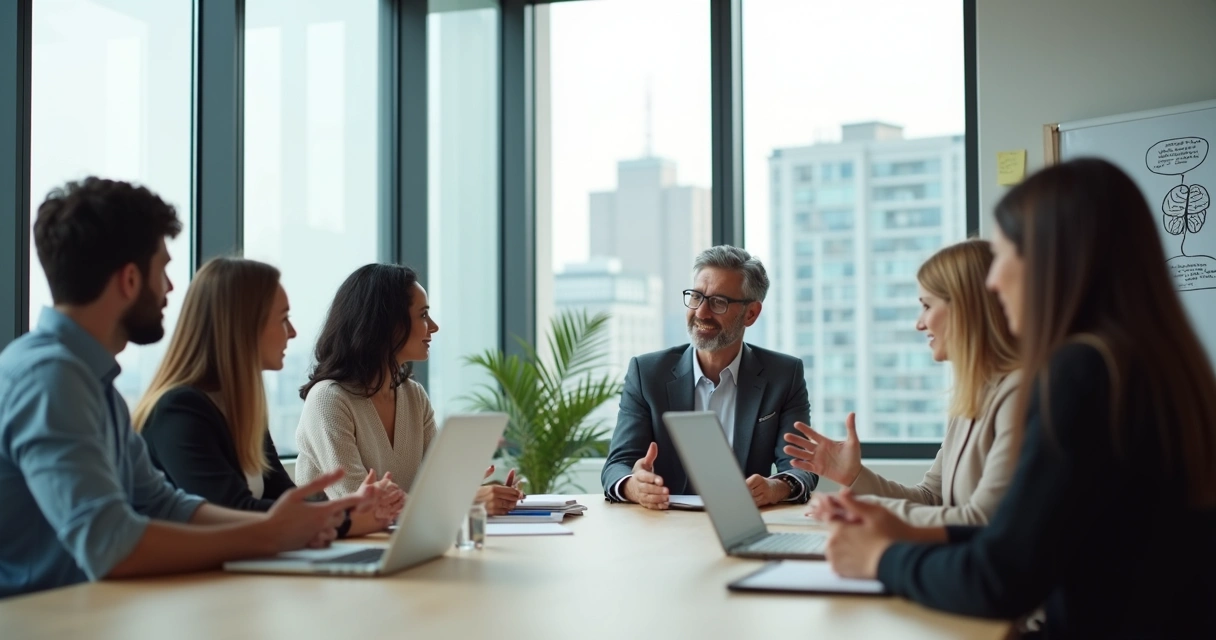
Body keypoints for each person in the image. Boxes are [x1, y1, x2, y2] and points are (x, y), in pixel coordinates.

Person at [815, 159, 1216, 637]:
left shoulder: (1083, 373)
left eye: (1004, 256)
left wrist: (881, 557)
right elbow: (1013, 537)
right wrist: (888, 519)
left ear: (1052, 260)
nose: (992, 281)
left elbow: (1000, 576)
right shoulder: (1148, 362)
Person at [0, 178, 369, 598]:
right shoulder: (49, 379)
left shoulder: (91, 382)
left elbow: (163, 504)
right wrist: (266, 537)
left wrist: (284, 526)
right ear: (130, 280)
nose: (171, 288)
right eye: (164, 270)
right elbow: (110, 545)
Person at [133, 257, 406, 536]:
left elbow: (282, 499)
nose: (292, 332)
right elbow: (233, 511)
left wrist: (351, 510)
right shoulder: (178, 411)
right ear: (244, 327)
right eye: (283, 318)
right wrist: (344, 518)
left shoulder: (241, 408)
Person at [783, 239, 1020, 525]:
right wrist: (854, 476)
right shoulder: (972, 397)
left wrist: (864, 512)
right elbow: (932, 499)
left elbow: (979, 519)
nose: (919, 324)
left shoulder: (1019, 396)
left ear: (966, 309)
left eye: (926, 306)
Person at [294, 264, 523, 515]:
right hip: (339, 550)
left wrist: (486, 493)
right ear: (388, 324)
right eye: (423, 315)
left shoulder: (413, 396)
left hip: (400, 545)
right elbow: (360, 506)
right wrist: (465, 501)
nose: (433, 326)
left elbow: (436, 490)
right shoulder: (328, 399)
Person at [601, 245, 817, 509]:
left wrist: (775, 487)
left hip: (744, 519)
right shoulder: (647, 373)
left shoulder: (784, 376)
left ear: (751, 313)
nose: (701, 313)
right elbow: (617, 465)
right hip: (665, 523)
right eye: (696, 297)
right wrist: (634, 486)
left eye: (718, 302)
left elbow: (801, 467)